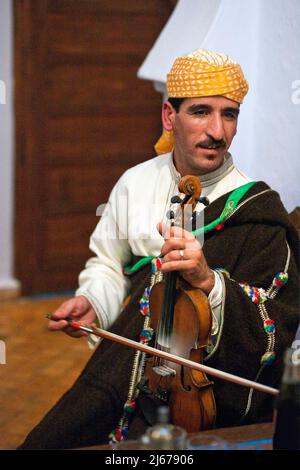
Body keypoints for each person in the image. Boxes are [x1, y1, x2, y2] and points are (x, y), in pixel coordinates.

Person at [18, 49, 299, 449]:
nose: (217, 131)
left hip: (210, 397)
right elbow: (109, 264)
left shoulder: (255, 208)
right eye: (201, 112)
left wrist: (208, 282)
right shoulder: (135, 183)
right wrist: (94, 301)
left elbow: (276, 319)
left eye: (229, 114)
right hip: (127, 376)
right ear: (170, 116)